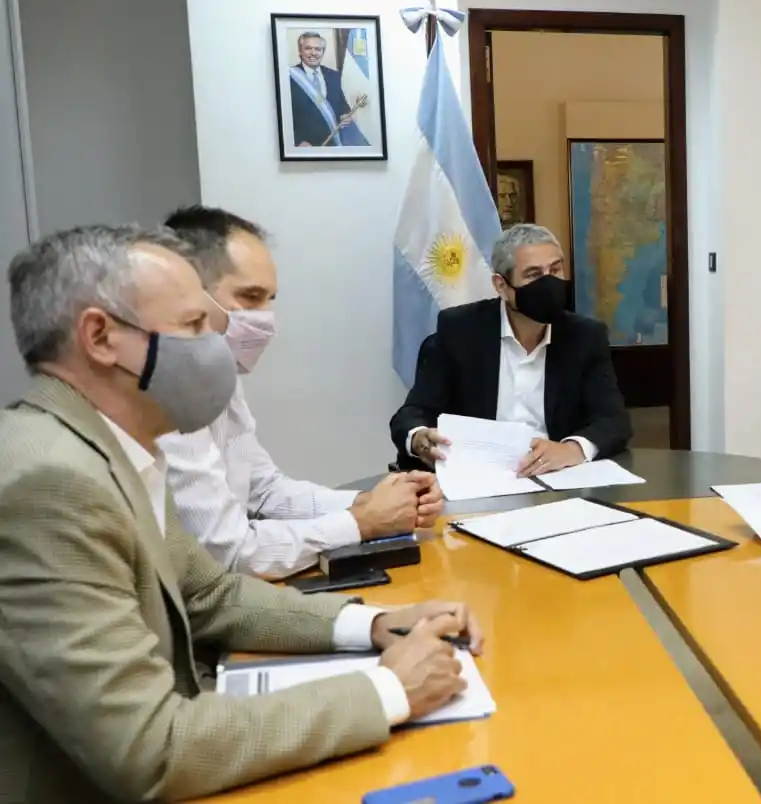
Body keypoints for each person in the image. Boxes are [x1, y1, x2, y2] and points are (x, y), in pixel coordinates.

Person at [0, 224, 486, 801]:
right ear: (101, 337)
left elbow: (210, 594)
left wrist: (375, 624)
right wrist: (386, 691)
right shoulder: (51, 484)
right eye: (193, 326)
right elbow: (149, 749)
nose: (219, 340)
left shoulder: (110, 446)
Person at [157, 206, 441, 579]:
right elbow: (228, 552)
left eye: (269, 299)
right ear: (188, 294)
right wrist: (361, 522)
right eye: (250, 296)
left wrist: (374, 500)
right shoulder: (162, 393)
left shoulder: (217, 374)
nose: (265, 318)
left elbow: (265, 491)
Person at [391, 224, 631, 476]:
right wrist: (420, 438)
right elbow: (412, 414)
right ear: (501, 286)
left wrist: (572, 449)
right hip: (479, 477)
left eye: (555, 270)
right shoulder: (459, 332)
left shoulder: (584, 337)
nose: (548, 283)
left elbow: (613, 420)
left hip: (556, 479)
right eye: (533, 274)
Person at [289, 31, 366, 148]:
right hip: (306, 146)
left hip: (333, 143)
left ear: (323, 52)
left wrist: (345, 115)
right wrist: (297, 141)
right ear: (300, 51)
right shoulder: (289, 78)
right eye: (308, 48)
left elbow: (341, 104)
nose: (313, 53)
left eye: (318, 49)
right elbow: (283, 116)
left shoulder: (333, 76)